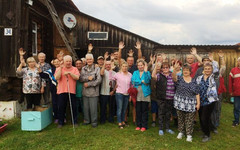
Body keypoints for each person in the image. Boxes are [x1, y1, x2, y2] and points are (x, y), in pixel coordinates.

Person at [172, 63, 200, 142]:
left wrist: (198, 103)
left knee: (189, 119)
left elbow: (197, 93)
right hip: (180, 102)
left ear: (190, 71)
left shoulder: (194, 80)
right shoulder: (179, 79)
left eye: (187, 70)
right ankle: (181, 132)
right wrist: (174, 69)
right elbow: (173, 77)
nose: (185, 71)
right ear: (182, 71)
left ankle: (189, 134)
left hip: (191, 104)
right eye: (184, 70)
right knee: (180, 118)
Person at [54, 55, 80, 128]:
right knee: (61, 107)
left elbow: (77, 77)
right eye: (67, 61)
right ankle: (60, 122)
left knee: (73, 107)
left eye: (70, 61)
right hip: (61, 91)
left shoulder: (74, 69)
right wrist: (61, 68)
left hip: (71, 91)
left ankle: (74, 121)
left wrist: (70, 73)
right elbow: (57, 77)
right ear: (64, 62)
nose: (68, 63)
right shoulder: (59, 68)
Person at [196, 63, 219, 142]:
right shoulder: (199, 78)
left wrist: (212, 60)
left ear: (211, 70)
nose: (207, 70)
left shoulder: (213, 77)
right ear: (203, 70)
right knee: (201, 117)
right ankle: (205, 131)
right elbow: (197, 89)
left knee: (204, 118)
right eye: (206, 69)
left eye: (209, 69)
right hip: (200, 100)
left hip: (210, 101)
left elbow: (217, 70)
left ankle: (207, 135)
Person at [152, 62, 175, 135]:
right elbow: (153, 76)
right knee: (161, 113)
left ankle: (167, 128)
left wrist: (174, 68)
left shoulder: (172, 75)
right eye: (163, 68)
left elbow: (176, 79)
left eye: (167, 67)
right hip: (161, 97)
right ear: (161, 69)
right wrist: (156, 67)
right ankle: (161, 128)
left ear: (169, 68)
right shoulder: (159, 75)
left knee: (168, 113)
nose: (165, 69)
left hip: (170, 97)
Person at [80, 53, 102, 128]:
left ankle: (94, 122)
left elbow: (99, 80)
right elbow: (81, 78)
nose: (89, 60)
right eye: (87, 59)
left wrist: (89, 84)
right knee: (86, 107)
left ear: (93, 60)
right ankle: (86, 120)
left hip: (94, 92)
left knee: (93, 108)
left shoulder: (97, 68)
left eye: (90, 59)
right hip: (85, 91)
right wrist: (88, 78)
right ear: (85, 60)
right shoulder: (83, 68)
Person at [132, 59, 151, 132]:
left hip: (145, 93)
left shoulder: (147, 72)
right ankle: (138, 125)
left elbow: (147, 81)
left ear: (144, 66)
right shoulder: (135, 72)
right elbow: (133, 81)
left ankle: (144, 125)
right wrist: (141, 81)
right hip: (137, 93)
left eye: (141, 65)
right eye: (139, 65)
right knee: (138, 110)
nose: (140, 67)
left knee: (144, 110)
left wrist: (145, 73)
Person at [113, 62, 132, 129]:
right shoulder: (117, 74)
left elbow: (131, 85)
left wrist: (130, 96)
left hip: (127, 94)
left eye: (126, 66)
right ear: (121, 67)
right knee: (120, 108)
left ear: (127, 67)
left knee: (124, 109)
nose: (124, 68)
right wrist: (113, 89)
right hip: (119, 93)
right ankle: (119, 122)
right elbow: (112, 81)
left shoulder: (130, 75)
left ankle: (123, 121)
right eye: (123, 66)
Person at [39, 58, 60, 123]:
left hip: (62, 89)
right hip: (54, 89)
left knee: (62, 103)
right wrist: (39, 69)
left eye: (58, 62)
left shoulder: (63, 69)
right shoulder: (50, 71)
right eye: (55, 62)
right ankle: (56, 117)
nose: (56, 63)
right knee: (55, 103)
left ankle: (63, 116)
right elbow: (42, 75)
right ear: (53, 63)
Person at [100, 52, 117, 124]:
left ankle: (111, 118)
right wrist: (105, 60)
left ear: (111, 65)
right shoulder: (103, 71)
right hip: (103, 92)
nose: (108, 66)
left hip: (111, 92)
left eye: (109, 64)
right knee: (103, 107)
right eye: (106, 64)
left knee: (111, 106)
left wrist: (113, 91)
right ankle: (103, 119)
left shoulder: (114, 73)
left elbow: (117, 83)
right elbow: (101, 73)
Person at [229, 57, 240, 127]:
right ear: (238, 62)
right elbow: (230, 82)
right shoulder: (233, 70)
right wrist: (231, 91)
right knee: (236, 108)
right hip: (236, 93)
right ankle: (236, 121)